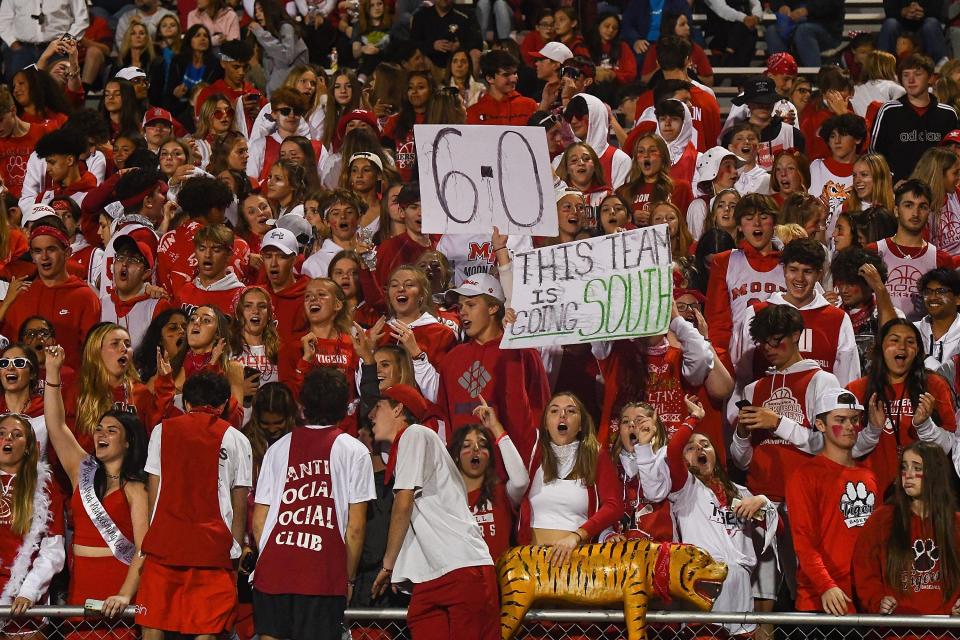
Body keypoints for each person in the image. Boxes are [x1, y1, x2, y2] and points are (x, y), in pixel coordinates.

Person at [252, 368, 374, 640]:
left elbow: (259, 520)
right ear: (344, 407)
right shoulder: (356, 452)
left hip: (274, 569)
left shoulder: (277, 448)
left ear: (302, 406)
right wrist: (349, 579)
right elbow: (355, 527)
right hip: (323, 573)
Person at [369, 383, 499, 639]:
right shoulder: (416, 445)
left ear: (398, 410)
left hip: (463, 568)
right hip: (433, 575)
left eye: (378, 407)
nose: (371, 415)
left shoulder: (415, 434)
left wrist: (388, 565)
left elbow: (404, 502)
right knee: (420, 619)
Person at [136, 371, 252, 638]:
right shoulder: (238, 440)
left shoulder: (161, 431)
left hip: (165, 547)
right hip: (213, 551)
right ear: (224, 405)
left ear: (185, 403)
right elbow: (240, 504)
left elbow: (154, 493)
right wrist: (232, 555)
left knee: (153, 622)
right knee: (206, 630)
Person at [43, 343, 149, 622]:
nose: (101, 434)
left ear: (128, 442)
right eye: (99, 429)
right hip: (82, 582)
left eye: (111, 431)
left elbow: (143, 548)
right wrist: (52, 372)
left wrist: (125, 594)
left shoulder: (136, 488)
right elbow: (56, 426)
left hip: (117, 581)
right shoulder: (83, 471)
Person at [437, 274, 549, 467]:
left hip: (514, 470)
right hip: (464, 472)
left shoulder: (523, 353)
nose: (462, 312)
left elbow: (542, 411)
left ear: (493, 307)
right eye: (460, 306)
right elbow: (444, 416)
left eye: (470, 305)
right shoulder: (451, 359)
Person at [786, 388, 879, 614]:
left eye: (854, 420)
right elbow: (804, 542)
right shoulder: (804, 476)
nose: (849, 426)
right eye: (840, 420)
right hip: (820, 601)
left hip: (864, 601)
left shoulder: (870, 476)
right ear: (820, 425)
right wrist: (826, 585)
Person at [733, 238, 860, 387]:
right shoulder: (756, 314)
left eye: (807, 271)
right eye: (793, 270)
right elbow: (742, 378)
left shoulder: (837, 319)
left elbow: (848, 383)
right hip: (763, 407)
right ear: (784, 270)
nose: (799, 278)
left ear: (819, 274)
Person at [853, 442, 960, 614]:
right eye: (904, 467)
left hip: (946, 632)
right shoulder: (882, 520)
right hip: (897, 631)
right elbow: (865, 572)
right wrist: (877, 601)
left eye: (917, 468)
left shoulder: (956, 524)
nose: (908, 475)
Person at [1, 219, 101, 371]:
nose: (44, 257)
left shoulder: (85, 297)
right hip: (25, 390)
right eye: (38, 251)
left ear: (67, 253)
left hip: (68, 389)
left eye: (51, 249)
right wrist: (7, 303)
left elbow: (92, 356)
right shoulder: (20, 295)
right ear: (32, 255)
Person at [0, 413, 64, 626]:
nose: (7, 438)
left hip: (25, 603)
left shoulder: (46, 486)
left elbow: (53, 549)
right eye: (1, 433)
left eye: (16, 435)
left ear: (29, 447)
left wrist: (29, 591)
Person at [704, 194, 783, 362]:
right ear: (739, 226)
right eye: (749, 218)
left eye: (763, 217)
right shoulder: (724, 261)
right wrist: (723, 363)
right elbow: (717, 322)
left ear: (774, 223)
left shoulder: (790, 263)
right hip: (739, 362)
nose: (757, 223)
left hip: (782, 358)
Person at [868, 179, 955, 321]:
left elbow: (949, 311)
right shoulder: (874, 251)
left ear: (929, 212)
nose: (915, 213)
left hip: (924, 339)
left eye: (922, 207)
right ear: (896, 210)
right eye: (908, 205)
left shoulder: (941, 259)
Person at [870, 54, 960, 182]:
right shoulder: (888, 111)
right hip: (898, 192)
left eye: (917, 75)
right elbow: (874, 155)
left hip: (938, 191)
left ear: (930, 78)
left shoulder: (948, 114)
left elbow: (955, 157)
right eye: (906, 75)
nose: (911, 80)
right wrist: (892, 181)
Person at [99, 236, 168, 350]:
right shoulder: (101, 304)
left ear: (146, 273)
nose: (124, 263)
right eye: (120, 257)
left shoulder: (158, 306)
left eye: (133, 260)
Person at [0, 0, 89, 82]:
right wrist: (13, 42)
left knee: (56, 92)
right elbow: (3, 19)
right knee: (19, 90)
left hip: (57, 51)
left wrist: (65, 42)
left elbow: (82, 19)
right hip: (21, 50)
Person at [172, 223, 245, 316]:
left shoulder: (240, 296)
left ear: (229, 255)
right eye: (202, 249)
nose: (207, 255)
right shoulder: (185, 292)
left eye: (216, 250)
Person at [467, 50, 538, 126]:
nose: (513, 79)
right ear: (490, 78)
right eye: (506, 75)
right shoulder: (474, 113)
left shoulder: (529, 106)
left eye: (514, 73)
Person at [410, 0, 482, 70]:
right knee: (416, 56)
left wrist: (459, 46)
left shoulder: (466, 15)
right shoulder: (420, 16)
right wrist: (433, 45)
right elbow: (412, 43)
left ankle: (470, 82)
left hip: (459, 59)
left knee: (476, 54)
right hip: (430, 60)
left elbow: (478, 41)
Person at [879, 0, 950, 67]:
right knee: (890, 24)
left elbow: (937, 11)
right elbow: (889, 10)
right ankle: (882, 67)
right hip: (899, 23)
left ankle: (941, 67)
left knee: (932, 23)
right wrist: (902, 11)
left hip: (925, 23)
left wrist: (922, 12)